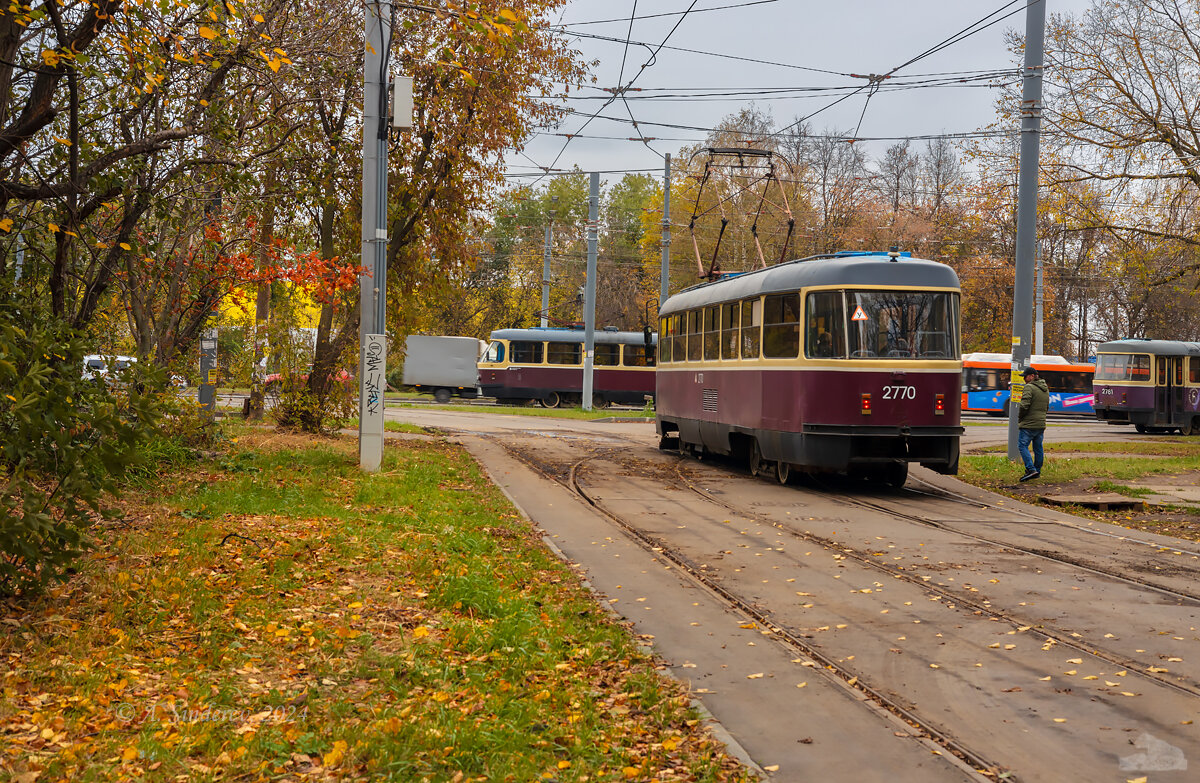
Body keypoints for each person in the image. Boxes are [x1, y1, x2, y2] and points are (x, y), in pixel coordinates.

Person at [1018, 366, 1049, 481]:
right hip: (1040, 424)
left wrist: (1020, 417)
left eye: (1025, 377)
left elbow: (1024, 405)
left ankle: (1031, 469)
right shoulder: (1045, 388)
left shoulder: (1029, 387)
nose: (1024, 379)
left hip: (1029, 424)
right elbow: (1046, 406)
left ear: (1031, 376)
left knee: (1022, 445)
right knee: (1038, 448)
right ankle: (1037, 471)